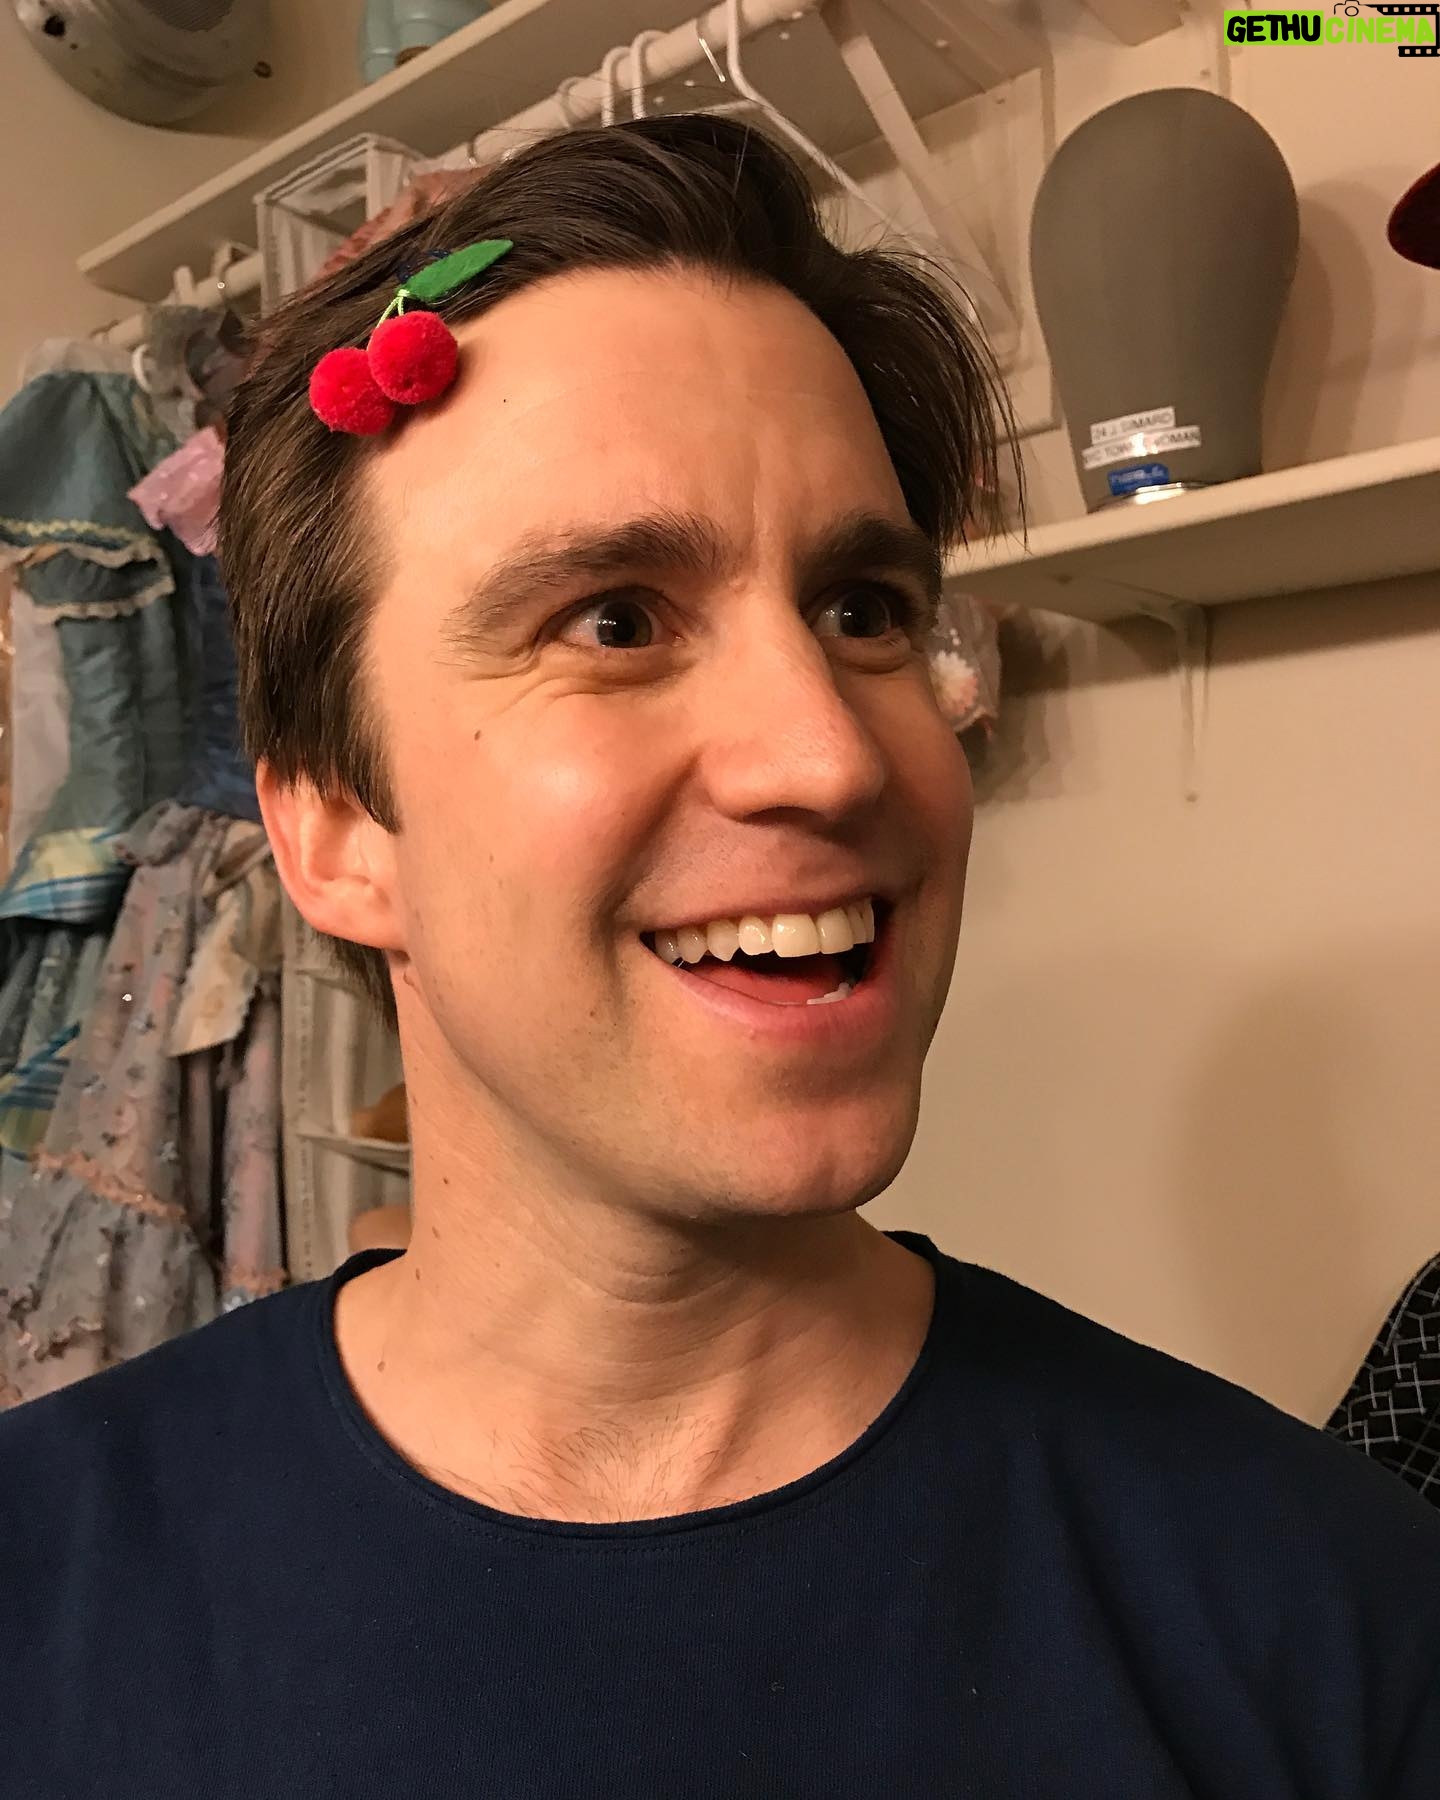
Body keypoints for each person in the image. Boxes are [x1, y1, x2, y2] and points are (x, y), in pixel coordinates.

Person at [3, 115, 1438, 1799]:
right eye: (614, 619)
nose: (829, 755)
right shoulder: (42, 1592)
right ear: (332, 829)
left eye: (864, 611)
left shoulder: (1332, 1614)